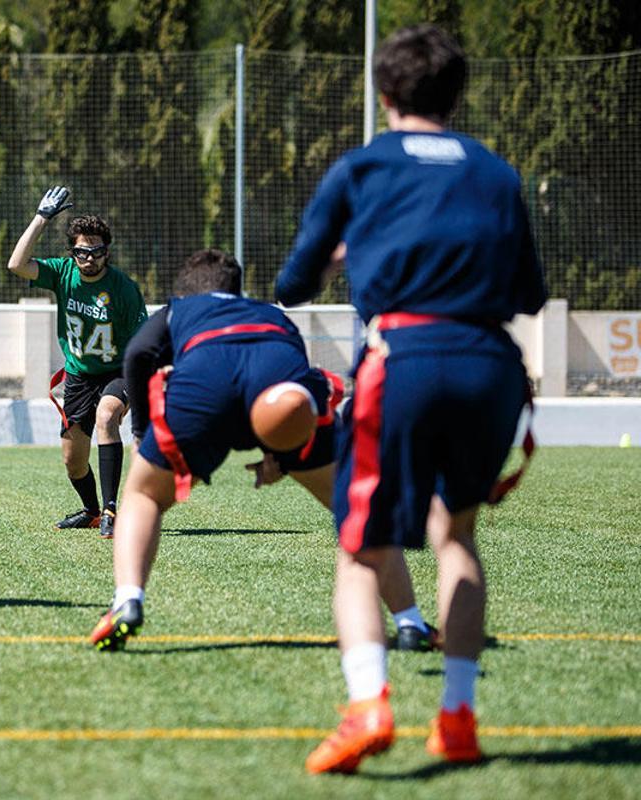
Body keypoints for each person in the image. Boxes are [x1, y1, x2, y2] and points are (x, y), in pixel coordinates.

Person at [275, 25, 547, 773]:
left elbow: (294, 282)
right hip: (490, 362)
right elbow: (530, 293)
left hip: (404, 357)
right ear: (457, 95)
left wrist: (343, 255)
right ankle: (457, 718)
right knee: (455, 537)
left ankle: (369, 706)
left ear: (383, 93)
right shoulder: (496, 172)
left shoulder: (364, 168)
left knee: (362, 548)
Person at [89, 249, 436, 653]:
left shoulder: (177, 310)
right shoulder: (272, 314)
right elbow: (297, 379)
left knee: (144, 496)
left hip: (204, 386)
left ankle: (127, 600)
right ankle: (410, 622)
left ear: (184, 292)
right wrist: (280, 456)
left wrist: (144, 432)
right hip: (280, 390)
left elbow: (138, 354)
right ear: (237, 292)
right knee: (360, 507)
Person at [7, 186, 148, 538]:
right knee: (73, 461)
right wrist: (41, 218)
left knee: (106, 419)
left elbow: (145, 343)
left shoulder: (124, 289)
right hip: (79, 376)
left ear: (107, 251)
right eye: (82, 251)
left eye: (96, 251)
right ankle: (91, 511)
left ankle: (112, 510)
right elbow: (16, 264)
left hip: (119, 371)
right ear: (73, 252)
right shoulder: (62, 273)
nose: (89, 258)